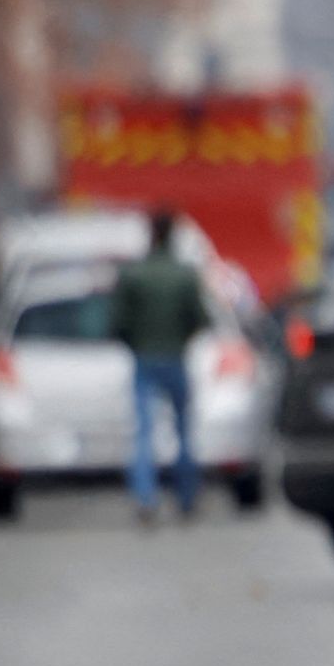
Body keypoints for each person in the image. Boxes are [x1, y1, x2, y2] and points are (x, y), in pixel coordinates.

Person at [108, 210, 214, 524]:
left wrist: (137, 343)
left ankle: (145, 496)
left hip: (144, 358)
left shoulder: (133, 274)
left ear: (150, 233)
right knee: (183, 431)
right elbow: (201, 319)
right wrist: (180, 338)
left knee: (143, 432)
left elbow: (117, 324)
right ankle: (186, 497)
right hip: (175, 357)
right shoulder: (185, 274)